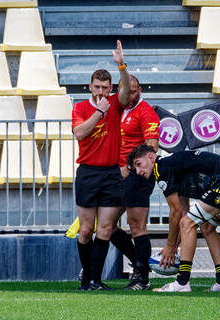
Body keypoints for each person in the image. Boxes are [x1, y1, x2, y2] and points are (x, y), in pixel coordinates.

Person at [67, 75, 160, 290]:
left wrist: (131, 168)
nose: (131, 94)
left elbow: (152, 147)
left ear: (140, 91)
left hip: (135, 176)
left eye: (135, 91)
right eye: (128, 90)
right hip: (112, 176)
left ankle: (141, 275)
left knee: (136, 226)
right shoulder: (114, 108)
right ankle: (101, 273)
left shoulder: (145, 112)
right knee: (106, 226)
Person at [72, 40, 131, 290]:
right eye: (97, 87)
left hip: (110, 172)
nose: (101, 92)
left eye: (105, 88)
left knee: (105, 228)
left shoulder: (115, 103)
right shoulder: (82, 107)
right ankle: (87, 276)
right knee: (86, 230)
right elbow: (80, 133)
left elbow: (127, 93)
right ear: (90, 86)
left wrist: (122, 67)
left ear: (110, 88)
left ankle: (96, 279)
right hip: (88, 172)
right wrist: (99, 112)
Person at [127, 144, 220, 292]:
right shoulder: (173, 166)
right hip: (216, 184)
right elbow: (183, 211)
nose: (138, 171)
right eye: (135, 168)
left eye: (139, 164)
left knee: (188, 223)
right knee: (206, 227)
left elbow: (176, 212)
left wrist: (170, 246)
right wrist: (175, 245)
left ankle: (182, 283)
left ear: (151, 157)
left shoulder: (161, 168)